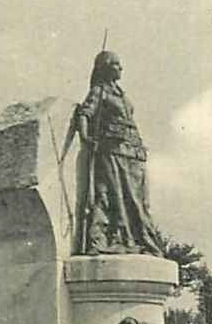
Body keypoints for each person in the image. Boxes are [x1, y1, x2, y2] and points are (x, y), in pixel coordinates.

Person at [65, 50, 166, 257]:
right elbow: (85, 114)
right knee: (116, 196)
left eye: (120, 65)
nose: (120, 68)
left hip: (134, 151)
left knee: (138, 200)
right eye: (116, 64)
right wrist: (85, 137)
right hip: (112, 150)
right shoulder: (99, 92)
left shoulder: (121, 94)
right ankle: (114, 239)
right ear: (104, 67)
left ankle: (140, 239)